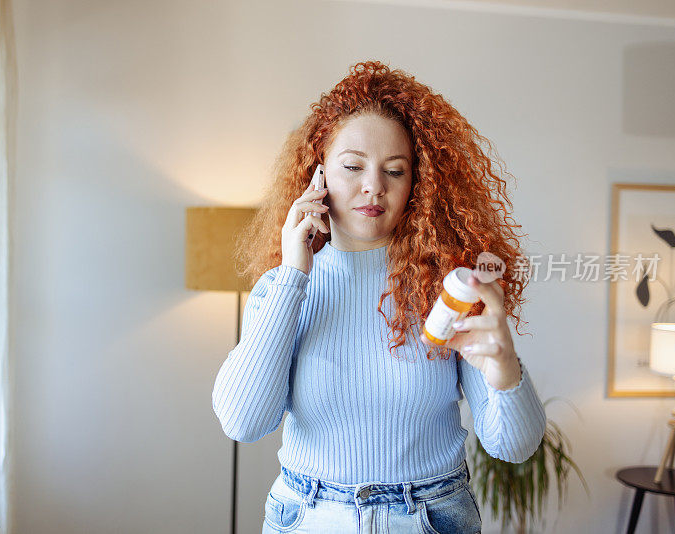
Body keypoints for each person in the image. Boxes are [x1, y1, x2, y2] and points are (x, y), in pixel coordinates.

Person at [211, 60, 546, 534]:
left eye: (395, 170)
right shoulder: (283, 288)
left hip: (429, 517)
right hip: (307, 515)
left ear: (418, 185)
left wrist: (505, 362)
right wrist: (293, 275)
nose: (374, 186)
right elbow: (243, 423)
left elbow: (513, 446)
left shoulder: (447, 288)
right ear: (318, 172)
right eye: (353, 167)